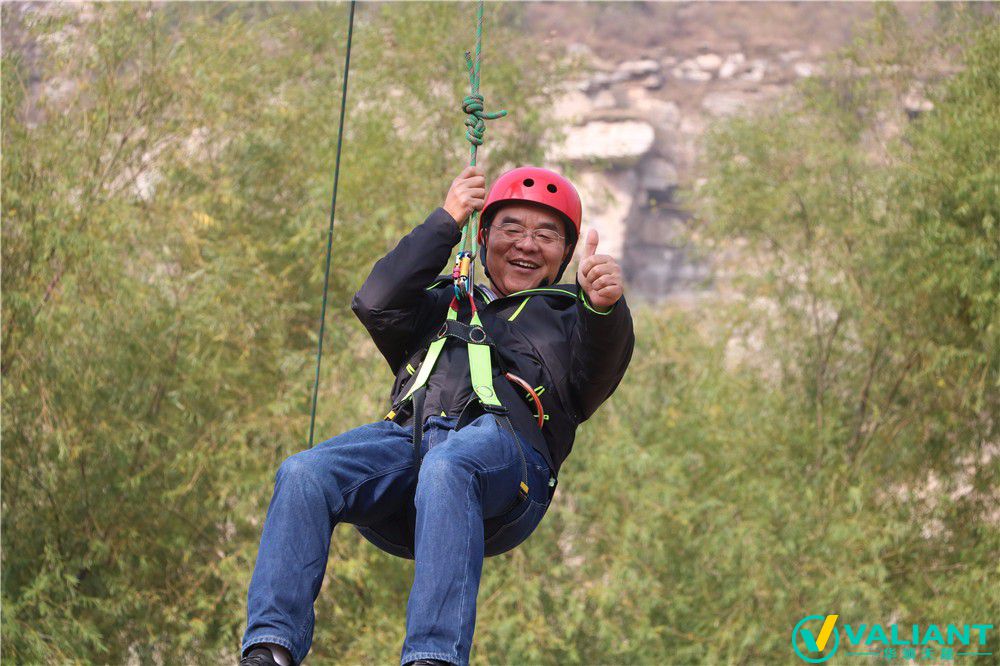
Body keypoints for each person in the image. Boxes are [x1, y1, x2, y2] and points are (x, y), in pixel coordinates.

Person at [240, 165, 634, 666]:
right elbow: (376, 301)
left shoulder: (569, 318)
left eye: (546, 236)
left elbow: (600, 369)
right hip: (410, 442)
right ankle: (271, 647)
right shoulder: (445, 302)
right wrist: (446, 221)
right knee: (304, 473)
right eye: (512, 228)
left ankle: (433, 656)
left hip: (507, 459)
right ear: (483, 238)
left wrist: (604, 308)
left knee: (451, 465)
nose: (527, 245)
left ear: (565, 253)